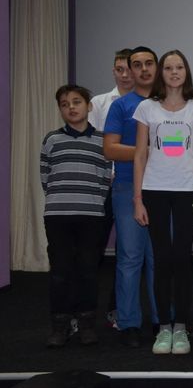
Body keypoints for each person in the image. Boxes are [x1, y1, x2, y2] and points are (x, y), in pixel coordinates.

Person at [132, 49, 193, 355]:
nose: (174, 72)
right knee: (161, 260)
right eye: (168, 68)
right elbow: (140, 154)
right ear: (161, 73)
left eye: (179, 67)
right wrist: (138, 200)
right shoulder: (147, 108)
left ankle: (181, 327)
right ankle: (164, 327)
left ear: (186, 72)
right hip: (154, 191)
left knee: (182, 260)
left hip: (187, 192)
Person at [41, 85, 112, 347]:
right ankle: (60, 325)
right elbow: (45, 176)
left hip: (91, 216)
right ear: (60, 109)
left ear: (88, 106)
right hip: (58, 216)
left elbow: (106, 178)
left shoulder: (103, 141)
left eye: (76, 102)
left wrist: (92, 201)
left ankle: (86, 324)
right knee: (60, 271)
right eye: (64, 104)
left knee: (88, 271)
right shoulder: (52, 139)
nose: (71, 107)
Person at [103, 46, 160, 347]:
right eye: (137, 65)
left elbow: (177, 149)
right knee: (129, 258)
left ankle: (163, 321)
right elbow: (110, 149)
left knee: (160, 258)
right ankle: (128, 323)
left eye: (149, 63)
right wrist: (146, 152)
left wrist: (157, 153)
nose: (144, 69)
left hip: (164, 190)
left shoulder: (169, 105)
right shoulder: (121, 106)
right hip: (127, 188)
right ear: (130, 70)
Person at [88, 47, 133, 331]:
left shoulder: (149, 104)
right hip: (102, 187)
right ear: (113, 71)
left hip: (132, 187)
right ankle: (85, 314)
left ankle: (117, 310)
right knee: (93, 251)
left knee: (127, 253)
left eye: (130, 68)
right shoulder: (99, 103)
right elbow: (93, 146)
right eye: (120, 69)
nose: (125, 74)